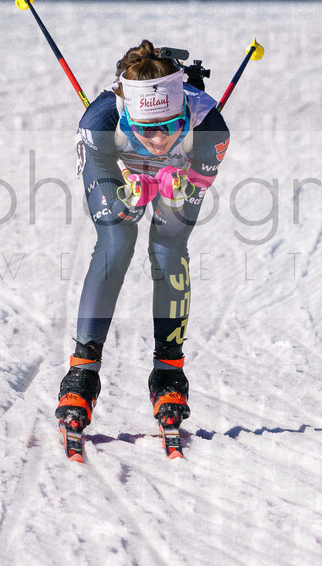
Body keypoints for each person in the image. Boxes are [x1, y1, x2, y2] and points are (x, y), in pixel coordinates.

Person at [55, 39, 231, 432]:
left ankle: (169, 370)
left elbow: (181, 216)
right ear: (129, 117)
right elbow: (111, 212)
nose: (159, 139)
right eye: (146, 128)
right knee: (116, 241)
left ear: (184, 111)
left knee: (169, 245)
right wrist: (129, 201)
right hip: (116, 167)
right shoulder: (99, 123)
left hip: (177, 174)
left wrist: (181, 192)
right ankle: (82, 372)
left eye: (170, 125)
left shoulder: (209, 127)